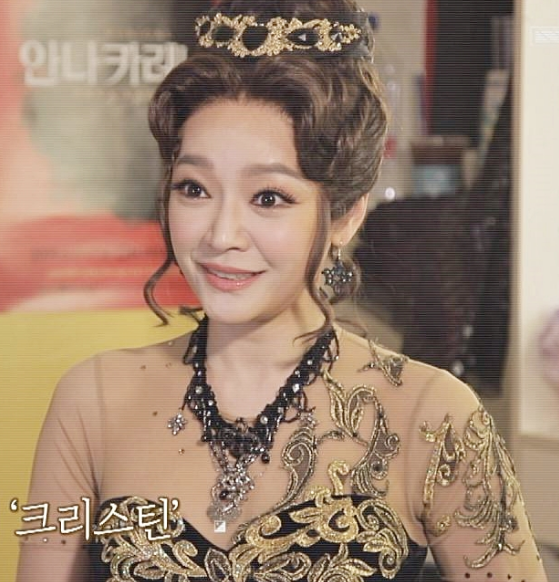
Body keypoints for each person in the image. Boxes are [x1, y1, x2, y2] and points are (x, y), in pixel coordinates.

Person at [16, 1, 548, 580]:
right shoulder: (91, 402)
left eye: (268, 198)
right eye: (194, 188)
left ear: (345, 215)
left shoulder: (434, 417)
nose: (221, 235)